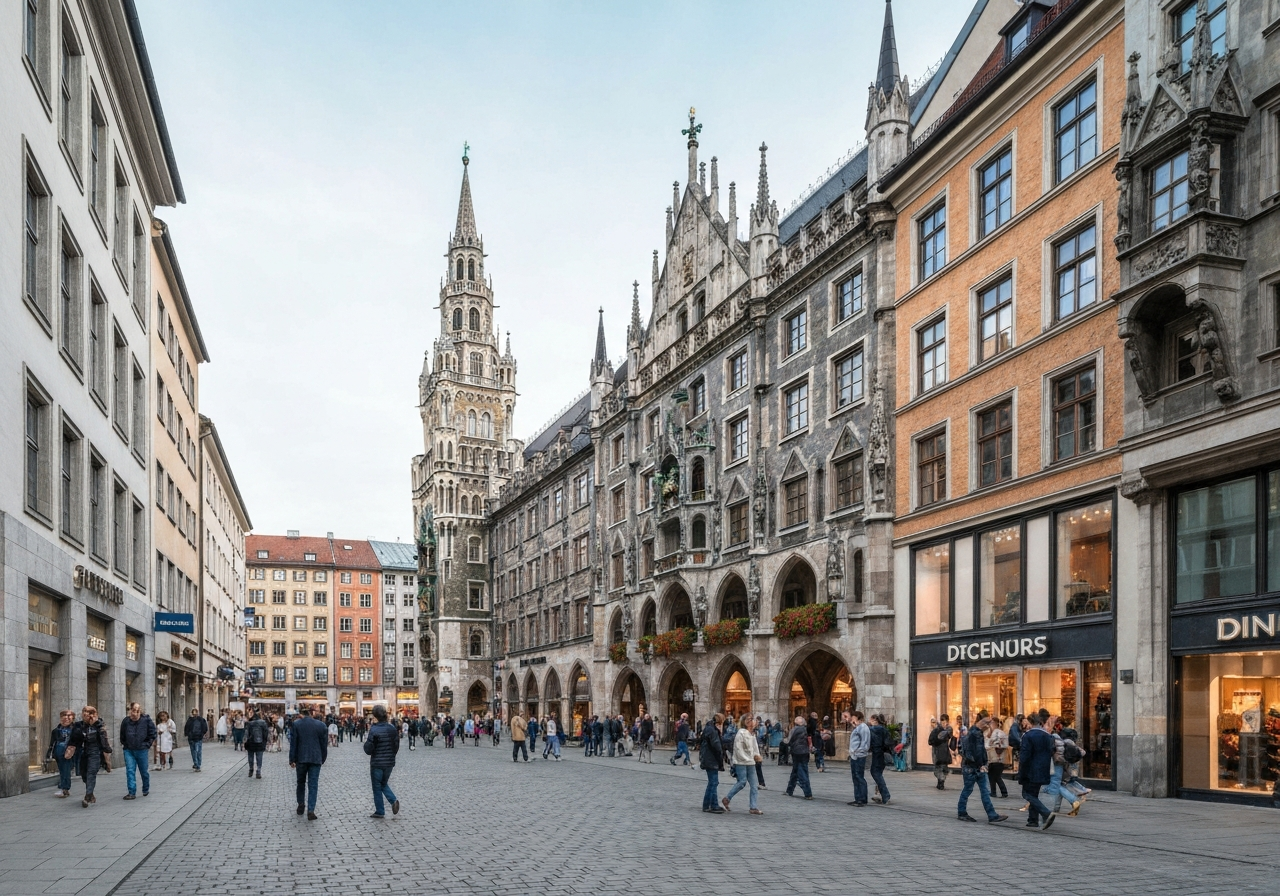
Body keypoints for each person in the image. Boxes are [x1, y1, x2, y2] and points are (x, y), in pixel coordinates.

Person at [957, 717, 1008, 824]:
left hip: (976, 768)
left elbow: (980, 750)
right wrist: (980, 764)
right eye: (988, 723)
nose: (989, 726)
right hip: (972, 768)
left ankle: (992, 815)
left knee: (983, 791)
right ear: (983, 722)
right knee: (968, 790)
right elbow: (973, 752)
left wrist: (983, 764)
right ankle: (962, 812)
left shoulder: (976, 732)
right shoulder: (973, 734)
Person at [65, 706, 111, 808]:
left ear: (93, 714)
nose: (86, 714)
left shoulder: (99, 724)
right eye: (84, 712)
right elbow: (74, 738)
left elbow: (104, 738)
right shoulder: (78, 725)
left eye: (89, 712)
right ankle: (90, 793)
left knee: (91, 773)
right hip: (83, 752)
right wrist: (70, 749)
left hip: (95, 752)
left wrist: (95, 724)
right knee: (84, 774)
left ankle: (87, 796)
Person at [1018, 710, 1057, 830]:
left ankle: (1045, 812)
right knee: (1034, 793)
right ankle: (1032, 820)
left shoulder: (1028, 736)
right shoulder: (1048, 736)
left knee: (1027, 794)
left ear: (1030, 723)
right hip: (1043, 768)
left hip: (1030, 769)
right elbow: (1053, 751)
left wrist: (1021, 771)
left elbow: (1024, 756)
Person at [289, 706, 329, 820]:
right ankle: (311, 810)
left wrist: (292, 759)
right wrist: (323, 757)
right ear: (312, 713)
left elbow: (294, 743)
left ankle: (301, 804)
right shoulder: (321, 725)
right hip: (316, 758)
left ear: (302, 714)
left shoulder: (297, 724)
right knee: (313, 784)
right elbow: (324, 744)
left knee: (300, 782)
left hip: (301, 758)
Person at [722, 714, 763, 815]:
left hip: (751, 762)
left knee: (754, 785)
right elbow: (738, 749)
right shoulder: (741, 733)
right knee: (742, 782)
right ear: (745, 722)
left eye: (752, 719)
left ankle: (753, 807)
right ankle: (727, 798)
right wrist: (747, 758)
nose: (752, 721)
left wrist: (757, 756)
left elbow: (754, 747)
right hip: (741, 762)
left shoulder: (752, 734)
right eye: (749, 719)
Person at [364, 705, 401, 818]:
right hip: (389, 762)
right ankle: (393, 800)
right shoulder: (392, 728)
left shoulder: (374, 729)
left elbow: (368, 749)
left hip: (377, 763)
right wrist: (391, 755)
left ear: (375, 716)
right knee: (383, 783)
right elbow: (396, 746)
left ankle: (380, 810)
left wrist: (367, 744)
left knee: (377, 786)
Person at [118, 702, 156, 800]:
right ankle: (131, 792)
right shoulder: (126, 721)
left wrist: (147, 744)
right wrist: (124, 744)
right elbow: (122, 734)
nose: (133, 713)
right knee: (130, 771)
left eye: (135, 711)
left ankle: (145, 788)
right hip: (129, 750)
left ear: (140, 711)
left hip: (142, 750)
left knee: (144, 771)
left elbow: (153, 733)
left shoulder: (146, 720)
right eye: (132, 711)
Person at [700, 712, 726, 813]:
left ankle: (712, 804)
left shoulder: (710, 728)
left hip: (709, 759)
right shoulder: (713, 731)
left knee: (714, 782)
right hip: (711, 759)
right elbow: (717, 746)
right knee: (713, 783)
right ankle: (709, 805)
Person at [48, 710, 77, 797]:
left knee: (66, 770)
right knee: (62, 770)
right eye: (63, 716)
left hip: (69, 752)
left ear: (72, 718)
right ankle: (64, 788)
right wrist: (50, 753)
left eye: (69, 716)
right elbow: (52, 743)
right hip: (58, 752)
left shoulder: (75, 729)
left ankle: (64, 788)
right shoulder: (56, 730)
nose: (66, 718)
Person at [784, 716, 814, 799]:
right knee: (796, 771)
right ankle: (789, 790)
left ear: (795, 722)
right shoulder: (806, 729)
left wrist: (783, 740)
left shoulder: (794, 729)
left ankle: (808, 793)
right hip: (805, 752)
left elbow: (788, 741)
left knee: (801, 771)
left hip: (797, 752)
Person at [845, 710, 870, 806]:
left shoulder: (863, 728)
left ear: (857, 717)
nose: (851, 718)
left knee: (859, 776)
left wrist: (858, 751)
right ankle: (858, 797)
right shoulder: (858, 727)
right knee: (855, 777)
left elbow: (864, 742)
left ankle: (862, 798)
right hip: (855, 755)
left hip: (859, 755)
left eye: (853, 717)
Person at [867, 713, 892, 805]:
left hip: (877, 752)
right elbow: (888, 742)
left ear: (874, 719)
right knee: (878, 774)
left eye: (870, 719)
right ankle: (879, 794)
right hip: (883, 753)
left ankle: (885, 795)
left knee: (875, 773)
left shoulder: (872, 729)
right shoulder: (884, 729)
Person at [986, 717, 1009, 798]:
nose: (989, 725)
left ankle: (1003, 792)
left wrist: (997, 751)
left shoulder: (998, 733)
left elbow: (1000, 745)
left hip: (997, 758)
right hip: (992, 758)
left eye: (991, 723)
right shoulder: (991, 733)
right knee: (992, 776)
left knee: (996, 776)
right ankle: (994, 792)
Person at [928, 715, 953, 790]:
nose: (944, 723)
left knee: (942, 767)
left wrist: (939, 728)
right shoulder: (938, 729)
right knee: (938, 767)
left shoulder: (947, 729)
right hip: (938, 751)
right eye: (942, 721)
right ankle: (940, 781)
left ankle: (941, 782)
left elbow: (945, 736)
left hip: (943, 751)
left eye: (945, 721)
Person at [245, 711, 269, 778]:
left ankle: (251, 769)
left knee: (250, 757)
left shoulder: (249, 723)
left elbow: (247, 733)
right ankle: (258, 771)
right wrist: (265, 741)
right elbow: (266, 733)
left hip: (251, 742)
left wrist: (246, 741)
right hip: (260, 742)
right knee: (259, 757)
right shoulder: (263, 723)